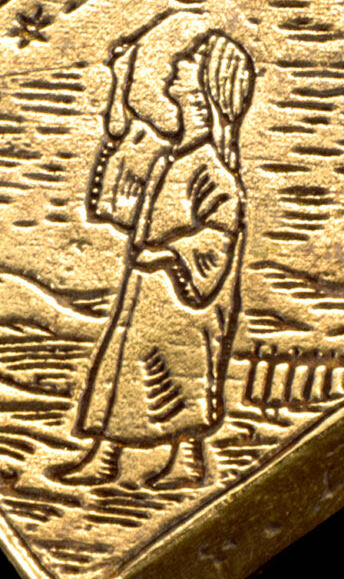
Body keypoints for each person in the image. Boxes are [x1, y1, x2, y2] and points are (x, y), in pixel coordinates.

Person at [51, 30, 255, 489]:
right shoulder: (169, 159)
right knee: (122, 366)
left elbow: (219, 236)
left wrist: (168, 254)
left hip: (184, 300)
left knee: (181, 375)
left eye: (192, 58)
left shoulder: (212, 169)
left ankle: (188, 461)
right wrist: (118, 100)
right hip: (145, 291)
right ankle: (105, 455)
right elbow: (126, 209)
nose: (180, 60)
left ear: (206, 88)